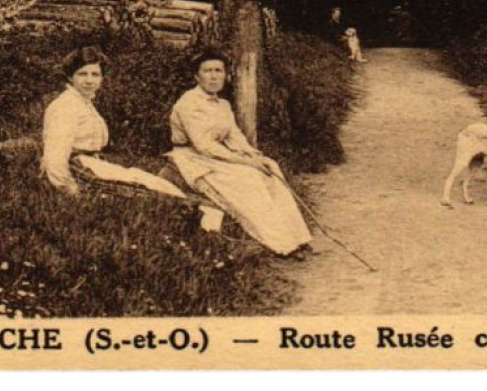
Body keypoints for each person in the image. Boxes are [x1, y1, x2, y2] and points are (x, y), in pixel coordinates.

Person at [166, 50, 313, 256]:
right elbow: (203, 146)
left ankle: (297, 236)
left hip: (214, 157)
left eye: (218, 71)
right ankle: (281, 244)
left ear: (226, 75)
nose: (214, 76)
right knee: (249, 179)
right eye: (207, 71)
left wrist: (254, 156)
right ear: (196, 77)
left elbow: (234, 136)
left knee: (271, 168)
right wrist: (246, 163)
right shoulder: (189, 103)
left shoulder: (223, 104)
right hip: (193, 159)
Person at [41, 46, 186, 200]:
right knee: (152, 192)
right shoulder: (66, 106)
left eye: (95, 74)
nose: (89, 81)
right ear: (70, 77)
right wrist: (70, 190)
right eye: (82, 74)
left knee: (154, 183)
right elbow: (55, 157)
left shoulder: (83, 103)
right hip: (79, 171)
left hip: (92, 165)